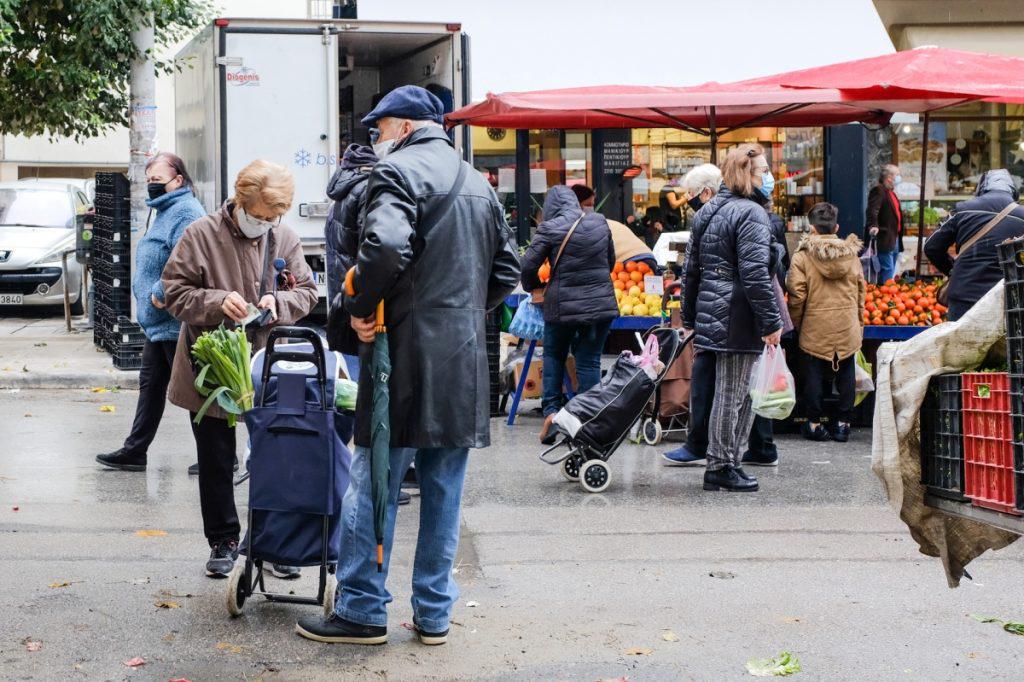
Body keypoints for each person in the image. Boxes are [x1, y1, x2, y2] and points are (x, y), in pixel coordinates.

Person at [294, 85, 520, 646]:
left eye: (378, 129)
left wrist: (362, 304)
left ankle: (363, 611)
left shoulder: (394, 174)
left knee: (374, 485)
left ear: (400, 126)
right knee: (444, 490)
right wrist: (463, 314)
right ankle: (434, 615)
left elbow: (387, 247)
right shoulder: (477, 183)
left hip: (403, 354)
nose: (376, 139)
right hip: (463, 359)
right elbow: (507, 272)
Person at [162, 160, 318, 578]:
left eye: (274, 218)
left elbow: (307, 292)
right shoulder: (201, 234)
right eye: (260, 217)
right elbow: (173, 293)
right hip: (212, 364)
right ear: (240, 203)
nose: (267, 224)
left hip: (269, 362)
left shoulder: (283, 236)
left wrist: (278, 304)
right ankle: (224, 540)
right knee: (216, 457)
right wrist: (217, 303)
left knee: (276, 453)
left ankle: (272, 542)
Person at [662, 164, 779, 468]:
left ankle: (723, 459)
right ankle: (734, 455)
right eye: (762, 170)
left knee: (731, 390)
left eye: (691, 195)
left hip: (737, 312)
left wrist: (768, 320)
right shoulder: (745, 214)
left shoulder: (748, 215)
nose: (689, 201)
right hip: (738, 311)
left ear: (708, 191)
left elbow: (753, 272)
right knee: (740, 386)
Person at [96, 153, 205, 473]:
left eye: (158, 180)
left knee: (194, 391)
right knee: (151, 387)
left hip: (175, 322)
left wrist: (160, 294)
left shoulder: (186, 212)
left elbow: (188, 262)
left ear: (179, 180)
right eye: (149, 181)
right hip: (158, 324)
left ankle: (221, 456)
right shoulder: (165, 210)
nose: (152, 186)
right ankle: (135, 451)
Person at [323, 143, 413, 506]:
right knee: (371, 393)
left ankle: (356, 468)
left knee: (361, 389)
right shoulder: (366, 192)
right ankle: (374, 475)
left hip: (345, 294)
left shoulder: (342, 192)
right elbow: (374, 252)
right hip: (364, 303)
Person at [521, 185, 619, 445]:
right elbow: (610, 262)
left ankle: (552, 413)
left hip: (561, 307)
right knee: (589, 362)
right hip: (600, 306)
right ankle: (589, 421)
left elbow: (528, 265)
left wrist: (534, 286)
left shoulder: (549, 228)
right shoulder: (598, 221)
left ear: (550, 207)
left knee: (554, 355)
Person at [787, 202, 866, 442]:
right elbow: (861, 290)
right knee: (846, 372)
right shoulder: (851, 255)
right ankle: (843, 424)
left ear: (811, 229)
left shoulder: (802, 257)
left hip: (814, 323)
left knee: (812, 375)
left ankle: (813, 424)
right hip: (847, 323)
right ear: (837, 227)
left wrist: (798, 323)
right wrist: (858, 322)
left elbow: (797, 294)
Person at [924, 169, 1024, 321]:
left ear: (982, 189)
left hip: (964, 296)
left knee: (963, 343)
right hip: (1007, 300)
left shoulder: (963, 209)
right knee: (1007, 344)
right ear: (1012, 191)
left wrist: (952, 269)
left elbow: (931, 247)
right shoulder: (1022, 215)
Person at [571, 184, 658, 272]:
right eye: (588, 205)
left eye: (592, 205)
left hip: (630, 263)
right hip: (649, 258)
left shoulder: (584, 227)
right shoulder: (605, 222)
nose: (591, 208)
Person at [864, 164, 904, 284]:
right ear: (889, 177)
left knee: (890, 270)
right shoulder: (879, 190)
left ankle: (885, 293)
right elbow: (872, 210)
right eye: (897, 174)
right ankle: (886, 297)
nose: (899, 177)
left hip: (894, 237)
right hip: (884, 237)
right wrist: (873, 225)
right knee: (887, 269)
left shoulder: (891, 192)